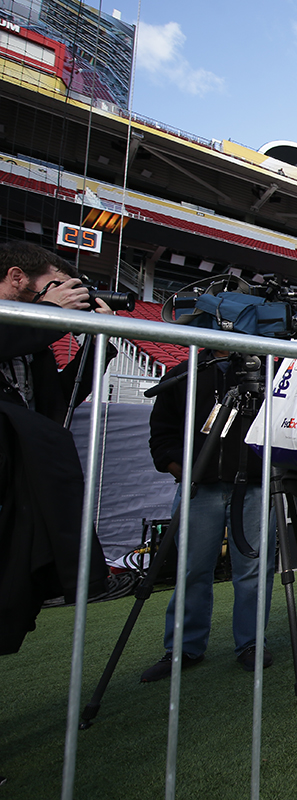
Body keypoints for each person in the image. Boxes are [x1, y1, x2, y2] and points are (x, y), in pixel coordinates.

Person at [0, 241, 114, 654]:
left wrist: (98, 343)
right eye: (58, 286)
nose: (72, 296)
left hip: (19, 480)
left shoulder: (35, 341)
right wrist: (53, 314)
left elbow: (58, 403)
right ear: (17, 277)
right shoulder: (25, 326)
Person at [141, 350, 277, 681]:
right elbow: (161, 434)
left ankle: (250, 643)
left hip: (255, 487)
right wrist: (184, 470)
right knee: (191, 569)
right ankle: (183, 648)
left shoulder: (266, 370)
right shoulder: (184, 372)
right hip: (198, 489)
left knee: (255, 570)